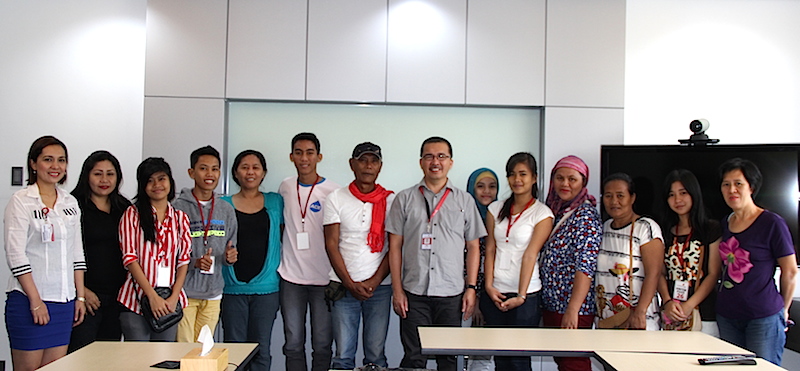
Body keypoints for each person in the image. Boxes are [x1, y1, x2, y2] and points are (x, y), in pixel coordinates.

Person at [387, 136, 486, 371]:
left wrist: (471, 289)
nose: (435, 161)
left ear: (450, 162)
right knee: (414, 357)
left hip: (451, 294)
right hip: (414, 294)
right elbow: (395, 247)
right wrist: (397, 290)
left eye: (441, 156)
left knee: (448, 359)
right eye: (429, 156)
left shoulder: (465, 200)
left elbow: (473, 248)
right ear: (421, 162)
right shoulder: (404, 199)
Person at [4, 136, 86, 370]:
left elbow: (76, 253)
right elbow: (15, 255)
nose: (55, 166)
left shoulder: (69, 202)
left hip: (64, 302)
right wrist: (36, 301)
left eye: (61, 160)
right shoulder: (21, 201)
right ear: (33, 163)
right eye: (47, 160)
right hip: (29, 301)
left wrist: (79, 297)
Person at [715, 158, 797, 366]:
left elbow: (789, 271)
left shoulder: (771, 223)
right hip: (728, 316)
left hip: (763, 317)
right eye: (726, 184)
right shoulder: (724, 223)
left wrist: (784, 310)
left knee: (763, 369)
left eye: (738, 183)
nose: (731, 189)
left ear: (751, 187)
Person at [324, 142, 394, 370]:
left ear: (380, 167)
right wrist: (350, 283)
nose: (368, 166)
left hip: (380, 288)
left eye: (373, 161)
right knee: (343, 355)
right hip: (343, 287)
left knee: (376, 355)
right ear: (352, 164)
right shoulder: (336, 198)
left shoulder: (390, 201)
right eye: (363, 160)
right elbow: (331, 244)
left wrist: (373, 282)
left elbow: (395, 247)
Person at [481, 152, 553, 371]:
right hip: (496, 292)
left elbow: (531, 254)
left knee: (519, 359)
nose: (517, 179)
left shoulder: (542, 214)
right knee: (501, 357)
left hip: (526, 295)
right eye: (512, 174)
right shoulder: (495, 209)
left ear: (534, 178)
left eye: (523, 174)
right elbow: (490, 249)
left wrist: (521, 296)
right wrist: (488, 286)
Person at [278, 132, 339, 371]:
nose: (304, 158)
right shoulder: (285, 186)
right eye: (299, 152)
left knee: (323, 344)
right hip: (291, 278)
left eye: (310, 152)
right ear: (291, 156)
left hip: (324, 279)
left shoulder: (333, 191)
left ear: (319, 156)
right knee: (293, 343)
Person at [117, 157, 191, 341]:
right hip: (136, 301)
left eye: (161, 178)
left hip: (169, 303)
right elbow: (130, 258)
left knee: (164, 360)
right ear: (142, 186)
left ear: (170, 182)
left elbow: (183, 261)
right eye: (149, 180)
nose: (156, 185)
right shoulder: (132, 214)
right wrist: (152, 296)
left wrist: (174, 297)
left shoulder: (180, 218)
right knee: (137, 363)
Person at [221, 150, 283, 371]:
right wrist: (223, 256)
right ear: (236, 173)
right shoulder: (222, 204)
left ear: (263, 173)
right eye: (244, 167)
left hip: (266, 290)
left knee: (261, 350)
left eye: (256, 167)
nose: (250, 172)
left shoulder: (276, 202)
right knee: (234, 350)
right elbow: (212, 240)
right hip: (231, 289)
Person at [540, 155, 601, 371]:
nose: (565, 184)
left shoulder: (585, 215)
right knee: (564, 361)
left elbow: (586, 266)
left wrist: (573, 309)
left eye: (572, 179)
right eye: (560, 178)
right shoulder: (555, 211)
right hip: (552, 304)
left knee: (574, 363)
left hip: (572, 307)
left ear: (583, 183)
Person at [173, 146, 238, 343]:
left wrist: (230, 258)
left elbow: (231, 248)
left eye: (215, 169)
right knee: (183, 349)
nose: (210, 174)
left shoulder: (226, 209)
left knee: (204, 350)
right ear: (191, 172)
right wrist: (194, 262)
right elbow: (169, 252)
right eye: (203, 168)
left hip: (213, 292)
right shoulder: (178, 207)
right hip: (184, 293)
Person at [68, 150, 131, 352]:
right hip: (85, 298)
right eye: (98, 174)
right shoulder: (72, 206)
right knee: (80, 359)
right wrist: (82, 291)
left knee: (108, 359)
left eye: (110, 174)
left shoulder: (125, 208)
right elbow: (62, 254)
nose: (104, 180)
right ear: (87, 176)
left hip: (118, 299)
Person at [595, 173, 663, 330]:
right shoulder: (603, 228)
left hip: (637, 319)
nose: (614, 201)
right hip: (607, 320)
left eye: (620, 195)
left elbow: (654, 273)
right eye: (608, 196)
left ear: (632, 198)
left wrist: (640, 312)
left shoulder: (646, 227)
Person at [657, 169, 721, 335]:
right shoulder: (664, 231)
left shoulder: (710, 229)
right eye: (671, 195)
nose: (677, 200)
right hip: (672, 313)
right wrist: (667, 301)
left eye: (683, 193)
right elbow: (660, 273)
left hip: (703, 313)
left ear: (694, 193)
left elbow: (713, 274)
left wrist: (689, 304)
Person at [465, 168, 498, 371]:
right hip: (467, 296)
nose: (487, 191)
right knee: (462, 350)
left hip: (494, 295)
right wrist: (475, 296)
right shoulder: (463, 216)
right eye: (480, 186)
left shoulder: (501, 219)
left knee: (486, 353)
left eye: (492, 186)